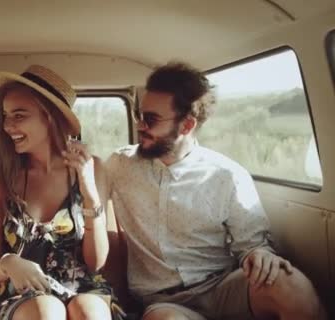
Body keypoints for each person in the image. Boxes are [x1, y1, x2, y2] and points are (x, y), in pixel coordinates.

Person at [105, 62, 326, 320]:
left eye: (151, 119)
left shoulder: (227, 175)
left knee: (290, 283)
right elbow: (79, 185)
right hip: (163, 302)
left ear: (187, 126)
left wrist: (259, 253)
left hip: (223, 288)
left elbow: (253, 244)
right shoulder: (120, 165)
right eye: (139, 116)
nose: (141, 126)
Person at [0, 65, 126, 320]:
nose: (7, 126)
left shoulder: (93, 169)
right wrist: (9, 263)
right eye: (5, 115)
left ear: (49, 117)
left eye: (19, 115)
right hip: (23, 295)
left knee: (89, 312)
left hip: (85, 290)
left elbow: (96, 262)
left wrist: (89, 192)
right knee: (46, 311)